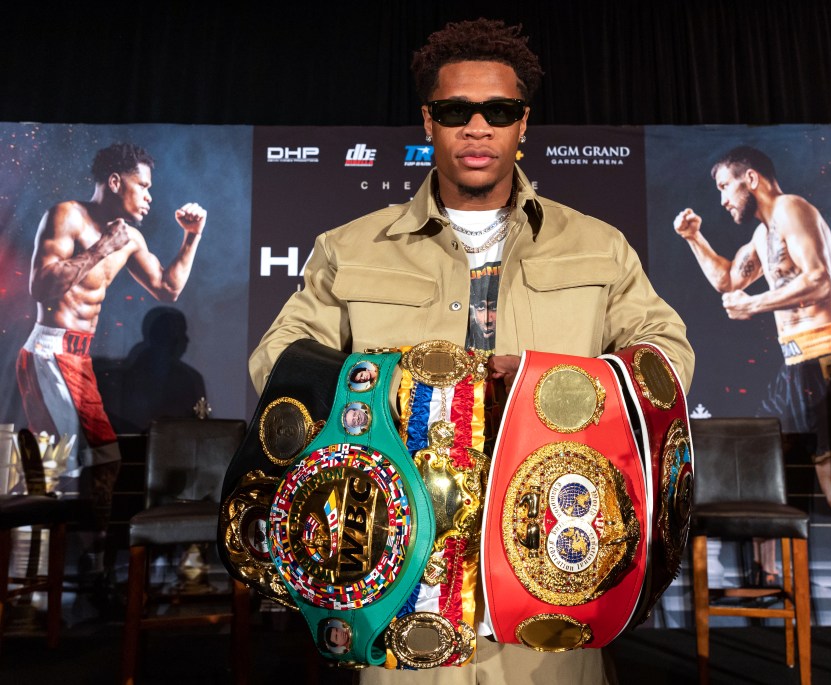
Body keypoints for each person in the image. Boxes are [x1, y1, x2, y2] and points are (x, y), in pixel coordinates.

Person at [250, 18, 693, 685]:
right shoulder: (350, 246)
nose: (478, 127)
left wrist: (558, 385)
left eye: (499, 111)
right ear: (429, 122)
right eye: (457, 111)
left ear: (523, 125)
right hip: (404, 572)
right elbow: (278, 362)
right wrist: (386, 388)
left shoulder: (599, 246)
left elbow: (666, 359)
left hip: (550, 558)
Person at [673, 145, 831, 581]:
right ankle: (768, 575)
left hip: (825, 361)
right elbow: (727, 280)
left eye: (725, 186)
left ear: (751, 179)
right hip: (794, 368)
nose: (722, 199)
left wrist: (755, 304)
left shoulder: (793, 209)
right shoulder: (762, 235)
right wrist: (694, 238)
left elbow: (818, 281)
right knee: (763, 472)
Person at [16, 142, 206, 574]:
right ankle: (54, 574)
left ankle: (85, 560)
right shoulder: (66, 215)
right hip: (49, 351)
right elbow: (42, 288)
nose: (149, 196)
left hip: (78, 363)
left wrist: (191, 237)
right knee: (63, 467)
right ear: (116, 182)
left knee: (96, 461)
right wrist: (101, 247)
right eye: (142, 185)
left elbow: (168, 289)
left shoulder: (131, 237)